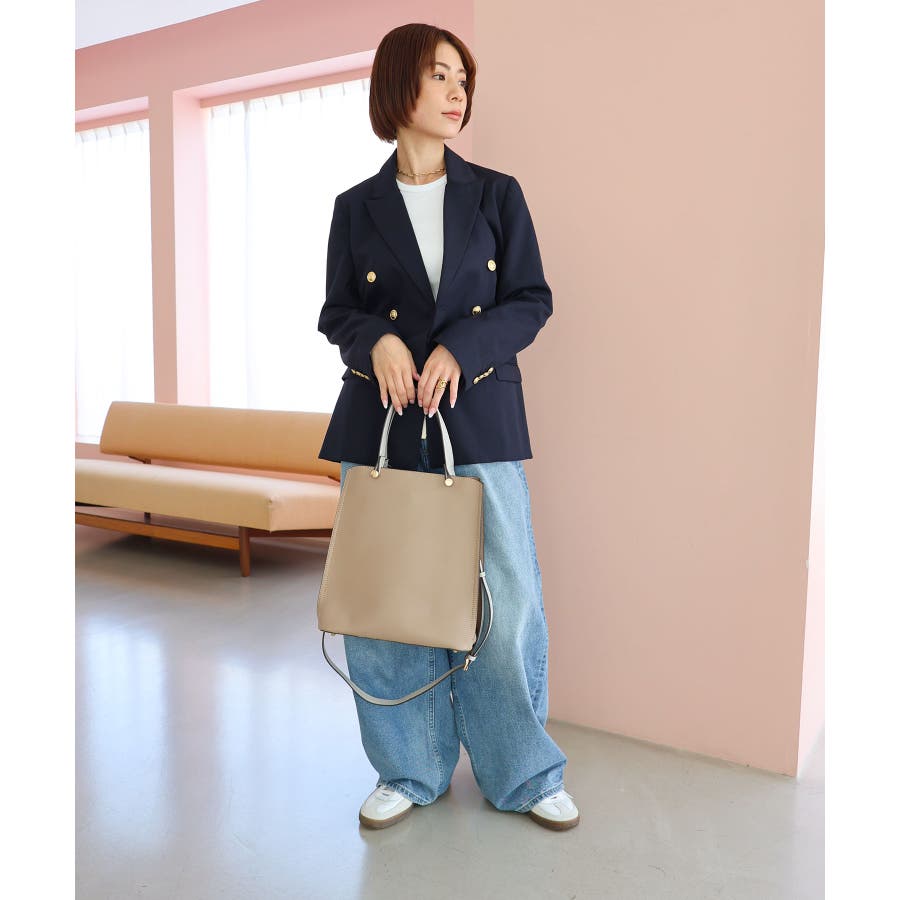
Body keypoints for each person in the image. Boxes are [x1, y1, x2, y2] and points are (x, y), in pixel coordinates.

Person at [316, 22, 579, 831]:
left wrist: (462, 347)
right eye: (440, 75)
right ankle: (409, 767)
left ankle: (524, 773)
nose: (458, 91)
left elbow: (531, 300)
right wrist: (378, 340)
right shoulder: (354, 208)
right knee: (386, 605)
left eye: (464, 77)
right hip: (384, 426)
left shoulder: (497, 194)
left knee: (507, 602)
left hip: (482, 422)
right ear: (399, 85)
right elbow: (337, 312)